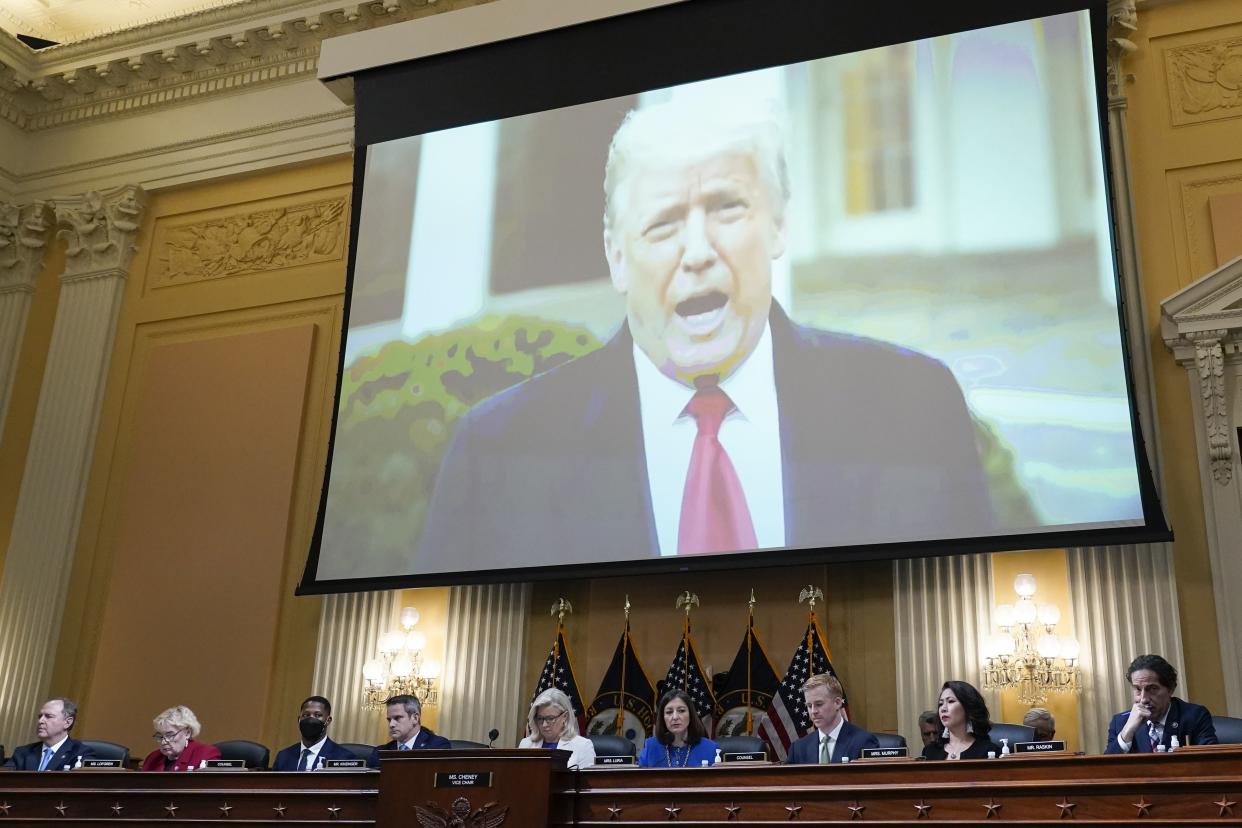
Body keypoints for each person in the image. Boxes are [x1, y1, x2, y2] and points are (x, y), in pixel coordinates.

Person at [415, 98, 992, 570]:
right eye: (663, 223)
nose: (697, 252)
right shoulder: (494, 450)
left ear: (778, 226)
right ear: (617, 257)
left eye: (726, 208)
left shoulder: (916, 404)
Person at [1105, 654, 1217, 753]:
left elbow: (1210, 763)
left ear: (1170, 689)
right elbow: (1105, 769)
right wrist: (1127, 732)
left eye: (1152, 689)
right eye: (1138, 689)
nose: (1143, 699)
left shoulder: (1195, 716)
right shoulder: (1120, 722)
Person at [787, 673, 878, 764]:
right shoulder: (798, 748)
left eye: (819, 704)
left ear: (837, 703)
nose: (813, 711)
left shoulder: (863, 742)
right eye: (809, 706)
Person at [4, 698, 96, 771]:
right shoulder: (22, 752)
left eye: (48, 716)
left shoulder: (81, 753)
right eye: (40, 717)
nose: (40, 721)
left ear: (67, 722)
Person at [272, 695, 357, 771]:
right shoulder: (283, 757)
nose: (310, 719)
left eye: (317, 715)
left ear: (328, 721)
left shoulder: (344, 758)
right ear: (299, 719)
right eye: (305, 715)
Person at [517, 688, 596, 769]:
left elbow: (586, 781)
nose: (544, 725)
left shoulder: (583, 746)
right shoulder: (526, 744)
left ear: (565, 717)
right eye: (540, 718)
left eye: (550, 718)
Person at [638, 689, 718, 768]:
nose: (675, 717)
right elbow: (638, 778)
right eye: (669, 712)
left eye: (681, 711)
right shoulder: (651, 746)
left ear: (691, 715)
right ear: (663, 718)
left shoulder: (709, 748)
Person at [921, 681, 1001, 760]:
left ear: (968, 707)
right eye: (941, 704)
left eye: (951, 701)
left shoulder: (989, 751)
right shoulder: (929, 751)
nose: (943, 709)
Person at [367, 694, 450, 768]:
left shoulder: (437, 746)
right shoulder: (380, 752)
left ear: (415, 718)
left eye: (397, 718)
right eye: (389, 719)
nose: (391, 724)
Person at [141, 705, 222, 771]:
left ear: (187, 733)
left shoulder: (205, 753)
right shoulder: (153, 758)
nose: (163, 742)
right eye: (160, 736)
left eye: (170, 735)